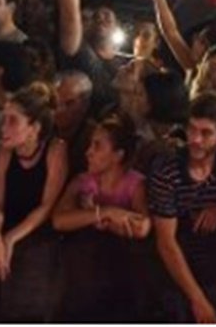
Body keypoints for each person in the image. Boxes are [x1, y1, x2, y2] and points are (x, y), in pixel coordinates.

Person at [149, 92, 216, 323]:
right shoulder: (167, 170)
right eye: (191, 129)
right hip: (178, 273)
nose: (196, 139)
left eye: (206, 133)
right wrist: (198, 300)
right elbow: (166, 243)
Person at [53, 116, 151, 321]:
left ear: (117, 155)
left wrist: (91, 216)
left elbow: (142, 227)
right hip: (84, 276)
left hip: (123, 275)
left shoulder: (135, 184)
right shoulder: (82, 181)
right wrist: (106, 213)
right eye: (90, 144)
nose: (88, 152)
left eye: (97, 146)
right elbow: (59, 220)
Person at [0, 83, 69, 321]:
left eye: (13, 121)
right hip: (7, 226)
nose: (4, 127)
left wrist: (10, 239)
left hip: (39, 236)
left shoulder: (55, 151)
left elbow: (46, 207)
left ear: (34, 128)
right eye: (4, 119)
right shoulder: (5, 152)